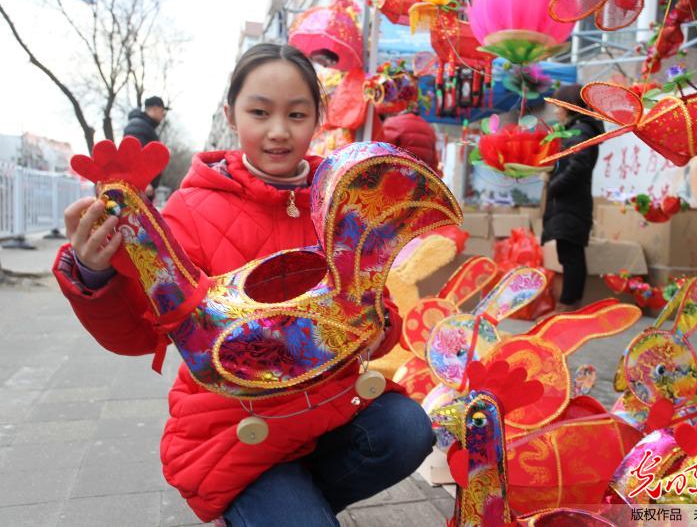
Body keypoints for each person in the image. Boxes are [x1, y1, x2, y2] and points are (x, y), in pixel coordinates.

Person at [54, 43, 434, 526]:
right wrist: (95, 273)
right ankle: (275, 503)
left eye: (296, 114)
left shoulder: (340, 197)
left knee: (407, 428)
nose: (278, 131)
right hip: (235, 432)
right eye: (259, 112)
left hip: (328, 411)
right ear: (231, 114)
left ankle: (293, 504)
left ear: (319, 116)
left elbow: (377, 303)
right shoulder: (188, 212)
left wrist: (378, 325)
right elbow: (137, 334)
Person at [541, 84, 605, 312]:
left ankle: (569, 304)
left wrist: (554, 186)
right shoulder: (576, 130)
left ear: (571, 106)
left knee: (571, 255)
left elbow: (578, 167)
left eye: (559, 106)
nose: (556, 111)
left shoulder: (581, 131)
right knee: (568, 252)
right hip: (570, 202)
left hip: (571, 202)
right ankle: (569, 302)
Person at [123, 95, 169, 198]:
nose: (163, 115)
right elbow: (130, 155)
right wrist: (142, 182)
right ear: (154, 108)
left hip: (142, 189)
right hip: (139, 189)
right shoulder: (138, 126)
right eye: (162, 111)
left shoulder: (145, 127)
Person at [381, 107, 440, 174]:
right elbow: (433, 163)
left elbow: (380, 152)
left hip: (395, 176)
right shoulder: (429, 129)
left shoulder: (392, 122)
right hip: (419, 178)